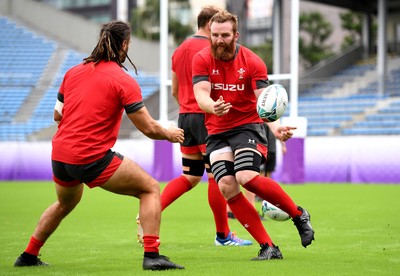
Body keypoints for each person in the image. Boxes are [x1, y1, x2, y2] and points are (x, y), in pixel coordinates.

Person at [14, 20, 184, 271]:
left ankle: (28, 255)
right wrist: (170, 134)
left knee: (63, 203)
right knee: (149, 188)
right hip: (90, 156)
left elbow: (56, 115)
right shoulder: (122, 80)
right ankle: (152, 255)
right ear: (124, 44)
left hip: (61, 156)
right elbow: (148, 128)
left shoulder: (72, 72)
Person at [192, 10, 315, 260]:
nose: (219, 40)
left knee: (245, 175)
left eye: (225, 35)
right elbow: (201, 94)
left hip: (248, 126)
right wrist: (212, 107)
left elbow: (265, 102)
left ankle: (298, 214)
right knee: (226, 185)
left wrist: (275, 128)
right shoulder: (202, 58)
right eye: (215, 35)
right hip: (216, 130)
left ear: (236, 35)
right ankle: (269, 247)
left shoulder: (252, 61)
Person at [137, 6, 251, 247]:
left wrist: (188, 109)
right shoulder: (211, 49)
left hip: (185, 117)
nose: (220, 35)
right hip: (209, 117)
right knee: (217, 177)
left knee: (189, 176)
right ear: (211, 25)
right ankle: (223, 235)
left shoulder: (179, 50)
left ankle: (148, 210)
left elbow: (175, 91)